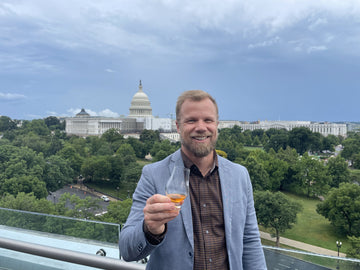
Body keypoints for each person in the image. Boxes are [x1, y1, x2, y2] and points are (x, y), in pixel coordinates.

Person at [119, 90, 267, 269]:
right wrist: (149, 229)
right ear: (178, 126)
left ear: (217, 125)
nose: (201, 127)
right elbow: (127, 250)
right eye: (191, 120)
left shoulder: (239, 175)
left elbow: (250, 241)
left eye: (208, 120)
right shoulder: (153, 175)